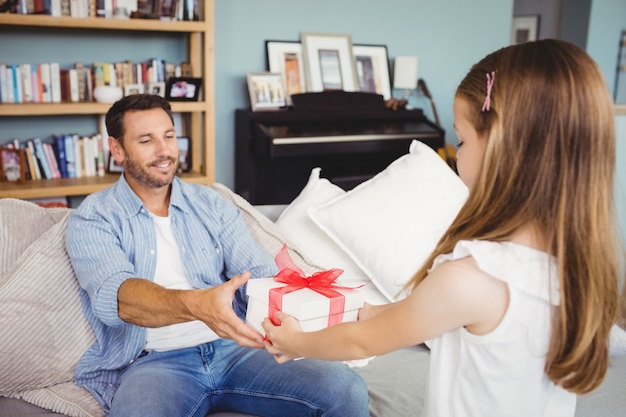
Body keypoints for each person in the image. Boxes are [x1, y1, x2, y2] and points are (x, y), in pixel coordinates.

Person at [263, 39, 623, 417]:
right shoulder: (577, 268)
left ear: (503, 148)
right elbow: (427, 318)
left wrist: (297, 341)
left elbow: (361, 343)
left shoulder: (471, 277)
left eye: (463, 139)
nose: (455, 152)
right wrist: (372, 311)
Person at [65, 93, 369, 417]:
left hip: (237, 348)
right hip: (155, 362)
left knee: (346, 389)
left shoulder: (210, 203)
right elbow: (119, 298)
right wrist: (198, 304)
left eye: (169, 136)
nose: (164, 150)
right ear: (117, 149)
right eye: (146, 140)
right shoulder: (94, 217)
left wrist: (305, 303)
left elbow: (257, 271)